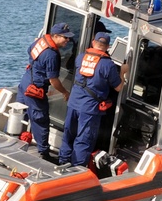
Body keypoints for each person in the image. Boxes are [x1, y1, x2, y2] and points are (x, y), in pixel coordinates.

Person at [58, 31, 125, 167]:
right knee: (84, 139)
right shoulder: (108, 65)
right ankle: (78, 169)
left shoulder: (81, 57)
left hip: (73, 103)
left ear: (93, 42)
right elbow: (118, 88)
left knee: (68, 133)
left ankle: (63, 160)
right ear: (107, 47)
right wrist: (123, 72)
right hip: (89, 108)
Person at [17, 22, 74, 161]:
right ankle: (44, 153)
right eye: (65, 38)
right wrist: (65, 92)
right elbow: (53, 80)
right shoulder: (52, 55)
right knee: (41, 119)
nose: (68, 41)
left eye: (68, 38)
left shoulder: (41, 41)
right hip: (35, 89)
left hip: (26, 80)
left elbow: (29, 51)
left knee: (20, 112)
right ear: (55, 36)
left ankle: (12, 135)